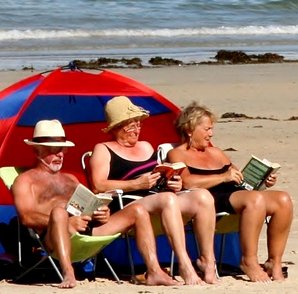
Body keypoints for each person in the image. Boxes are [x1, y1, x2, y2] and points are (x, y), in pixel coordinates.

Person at [9, 119, 180, 288]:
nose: (60, 154)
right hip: (53, 236)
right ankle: (68, 272)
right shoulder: (25, 181)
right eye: (53, 150)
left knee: (138, 210)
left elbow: (89, 205)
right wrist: (65, 222)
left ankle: (154, 271)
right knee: (59, 213)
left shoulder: (70, 179)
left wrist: (100, 212)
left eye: (62, 149)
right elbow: (26, 217)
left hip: (87, 230)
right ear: (36, 150)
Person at [88, 97, 216, 284]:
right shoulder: (104, 149)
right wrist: (136, 184)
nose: (136, 130)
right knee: (167, 200)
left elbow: (158, 178)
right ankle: (185, 264)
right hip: (129, 205)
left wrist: (173, 181)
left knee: (202, 197)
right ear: (117, 127)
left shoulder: (146, 146)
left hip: (157, 197)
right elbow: (98, 185)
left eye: (138, 125)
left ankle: (208, 262)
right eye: (130, 126)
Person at [172, 102, 294, 282]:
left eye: (212, 129)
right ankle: (248, 261)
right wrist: (223, 178)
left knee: (283, 199)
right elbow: (187, 182)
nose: (210, 134)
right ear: (190, 129)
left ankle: (274, 262)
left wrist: (263, 180)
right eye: (206, 129)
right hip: (210, 198)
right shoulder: (177, 153)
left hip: (235, 193)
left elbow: (239, 177)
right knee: (254, 200)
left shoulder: (216, 152)